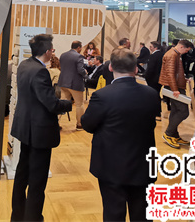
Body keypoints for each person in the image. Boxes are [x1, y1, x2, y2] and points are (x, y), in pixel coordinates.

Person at [81, 48, 160, 222]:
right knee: (143, 213)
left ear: (110, 68)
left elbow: (87, 124)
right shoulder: (151, 94)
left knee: (113, 213)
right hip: (143, 162)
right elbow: (151, 123)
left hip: (111, 164)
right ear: (136, 69)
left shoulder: (102, 95)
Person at [11, 34, 72, 221]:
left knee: (22, 174)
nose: (53, 53)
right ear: (47, 51)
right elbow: (51, 104)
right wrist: (68, 104)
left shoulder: (24, 65)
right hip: (39, 131)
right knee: (37, 181)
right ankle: (33, 217)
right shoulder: (40, 71)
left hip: (25, 128)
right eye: (52, 50)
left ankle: (18, 216)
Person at [159, 39, 193, 149]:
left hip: (176, 86)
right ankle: (168, 134)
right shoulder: (172, 55)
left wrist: (183, 79)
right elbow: (170, 73)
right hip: (174, 88)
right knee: (183, 111)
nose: (186, 52)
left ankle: (174, 135)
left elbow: (175, 72)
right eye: (186, 50)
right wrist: (174, 89)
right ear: (181, 47)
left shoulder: (175, 54)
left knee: (175, 111)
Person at [57, 41, 88, 130]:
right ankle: (79, 124)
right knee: (79, 104)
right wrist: (85, 73)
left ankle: (55, 122)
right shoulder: (79, 56)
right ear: (79, 47)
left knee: (62, 103)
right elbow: (80, 70)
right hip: (75, 83)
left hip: (63, 82)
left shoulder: (63, 55)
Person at [144, 41, 164, 119]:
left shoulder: (153, 56)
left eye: (151, 46)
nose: (150, 48)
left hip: (153, 79)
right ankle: (158, 112)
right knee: (157, 94)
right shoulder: (162, 55)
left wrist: (146, 76)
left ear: (155, 47)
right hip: (160, 78)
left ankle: (155, 112)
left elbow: (151, 69)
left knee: (153, 95)